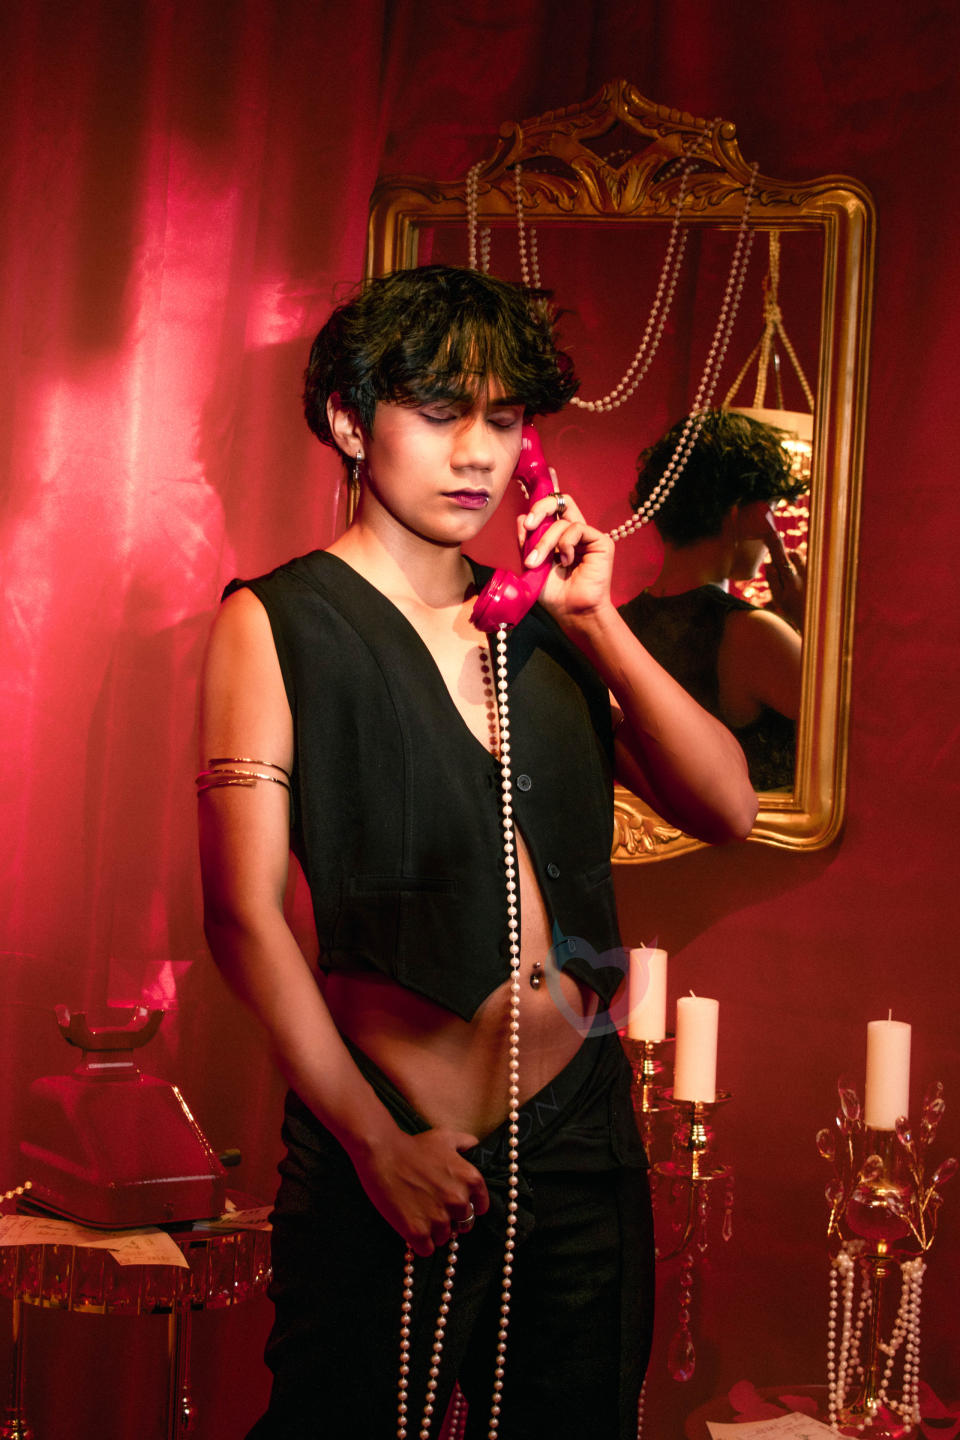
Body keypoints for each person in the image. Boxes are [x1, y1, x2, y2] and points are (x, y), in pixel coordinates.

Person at [197, 265, 756, 1440]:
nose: (477, 455)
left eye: (504, 421)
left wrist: (598, 621)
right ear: (352, 421)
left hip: (582, 1146)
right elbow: (243, 916)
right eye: (442, 413)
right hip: (399, 1135)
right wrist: (374, 1144)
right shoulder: (280, 621)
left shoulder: (545, 628)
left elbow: (727, 807)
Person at [619, 409, 808, 791]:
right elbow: (852, 734)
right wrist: (808, 618)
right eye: (771, 508)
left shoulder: (619, 624)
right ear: (746, 513)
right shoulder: (755, 635)